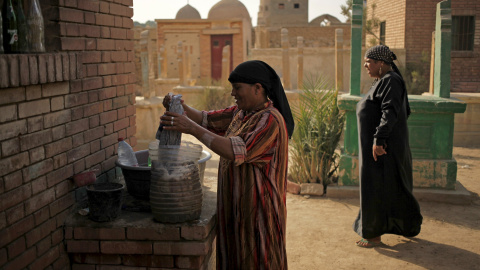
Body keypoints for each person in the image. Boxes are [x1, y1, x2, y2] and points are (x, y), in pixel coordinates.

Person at [160, 60, 294, 269]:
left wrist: (191, 128)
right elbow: (206, 120)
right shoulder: (241, 114)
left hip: (259, 216)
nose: (233, 93)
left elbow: (235, 150)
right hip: (237, 211)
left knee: (260, 261)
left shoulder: (270, 121)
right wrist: (181, 107)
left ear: (258, 89)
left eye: (237, 88)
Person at [354, 45, 423, 248]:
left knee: (376, 189)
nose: (366, 66)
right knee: (388, 188)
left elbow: (389, 112)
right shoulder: (382, 81)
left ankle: (374, 234)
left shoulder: (391, 81)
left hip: (382, 149)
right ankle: (406, 225)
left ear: (381, 63)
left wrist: (378, 140)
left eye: (369, 62)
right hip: (378, 148)